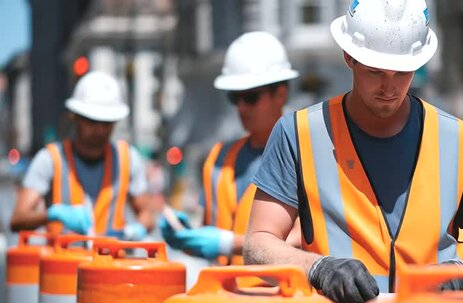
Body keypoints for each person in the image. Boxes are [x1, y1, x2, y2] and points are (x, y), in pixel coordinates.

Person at [243, 0, 463, 303]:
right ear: (350, 57)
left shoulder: (459, 139)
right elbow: (258, 244)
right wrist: (318, 268)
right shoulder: (297, 134)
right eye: (375, 71)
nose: (390, 87)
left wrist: (456, 274)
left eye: (402, 72)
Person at [160, 32, 301, 264]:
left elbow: (301, 241)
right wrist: (187, 237)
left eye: (251, 97)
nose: (242, 107)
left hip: (281, 296)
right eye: (235, 98)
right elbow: (211, 239)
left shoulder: (305, 156)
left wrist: (227, 243)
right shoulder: (218, 159)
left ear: (281, 94)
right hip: (222, 296)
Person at [10, 71, 154, 240]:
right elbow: (18, 219)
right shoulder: (50, 159)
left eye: (107, 123)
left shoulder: (127, 159)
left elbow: (147, 215)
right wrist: (53, 214)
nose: (100, 130)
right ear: (75, 117)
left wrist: (135, 230)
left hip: (111, 263)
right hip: (62, 262)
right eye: (92, 121)